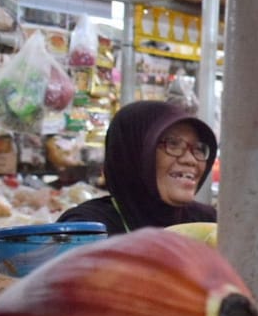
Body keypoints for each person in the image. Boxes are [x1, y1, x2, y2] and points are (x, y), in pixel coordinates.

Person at [58, 100, 218, 235]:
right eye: (173, 144)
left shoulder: (210, 222)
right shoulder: (87, 231)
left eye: (198, 148)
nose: (191, 160)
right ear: (134, 153)